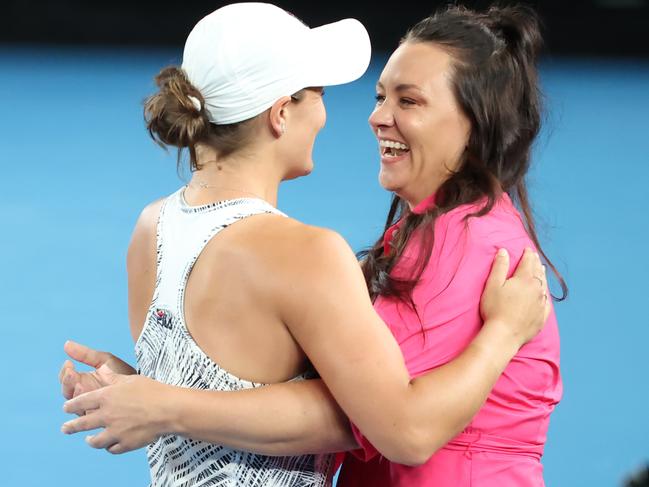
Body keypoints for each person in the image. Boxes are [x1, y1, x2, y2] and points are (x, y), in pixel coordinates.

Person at [60, 2, 554, 486]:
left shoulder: (153, 226)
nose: (371, 117)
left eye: (407, 100)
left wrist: (151, 399)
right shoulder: (309, 254)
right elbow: (394, 424)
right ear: (280, 115)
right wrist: (503, 334)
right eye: (318, 92)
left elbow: (221, 392)